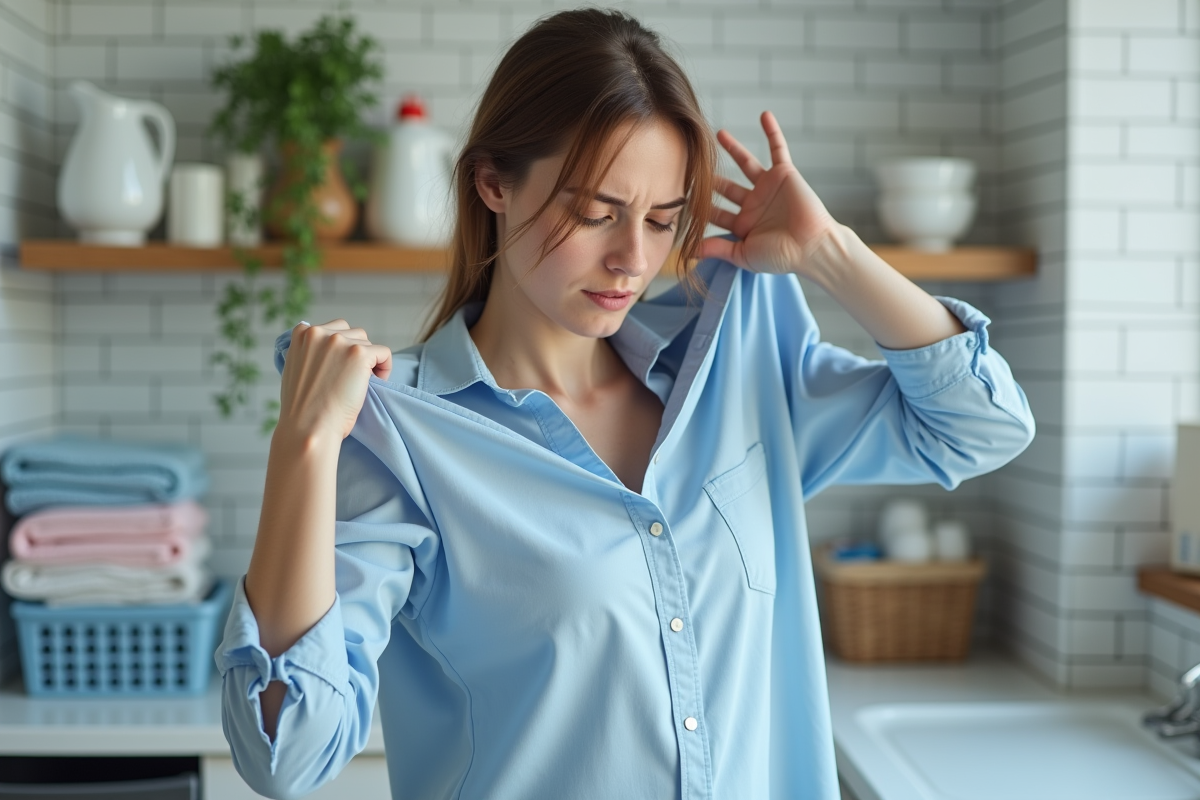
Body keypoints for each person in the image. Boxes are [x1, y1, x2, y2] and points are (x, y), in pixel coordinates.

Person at [215, 8, 1035, 800]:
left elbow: (979, 427)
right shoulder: (404, 437)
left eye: (661, 220)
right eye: (595, 213)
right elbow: (287, 753)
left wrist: (831, 254)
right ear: (493, 183)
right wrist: (305, 446)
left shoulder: (737, 373)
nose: (632, 259)